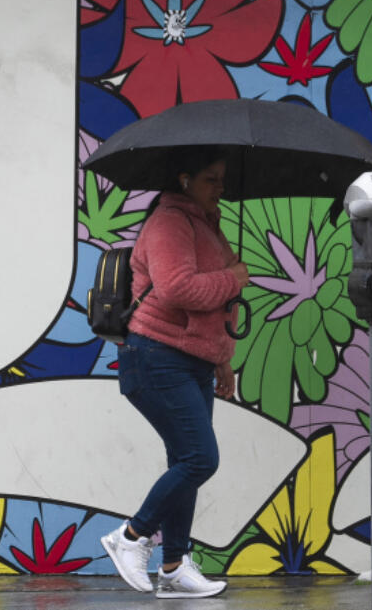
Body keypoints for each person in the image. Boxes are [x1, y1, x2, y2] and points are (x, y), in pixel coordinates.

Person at [100, 146, 250, 599]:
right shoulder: (170, 222)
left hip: (191, 359)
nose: (219, 187)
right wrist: (236, 277)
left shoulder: (205, 224)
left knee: (183, 460)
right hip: (156, 356)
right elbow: (177, 288)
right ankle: (130, 537)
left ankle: (174, 565)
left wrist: (221, 358)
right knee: (200, 458)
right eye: (211, 178)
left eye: (222, 179)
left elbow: (212, 309)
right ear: (184, 179)